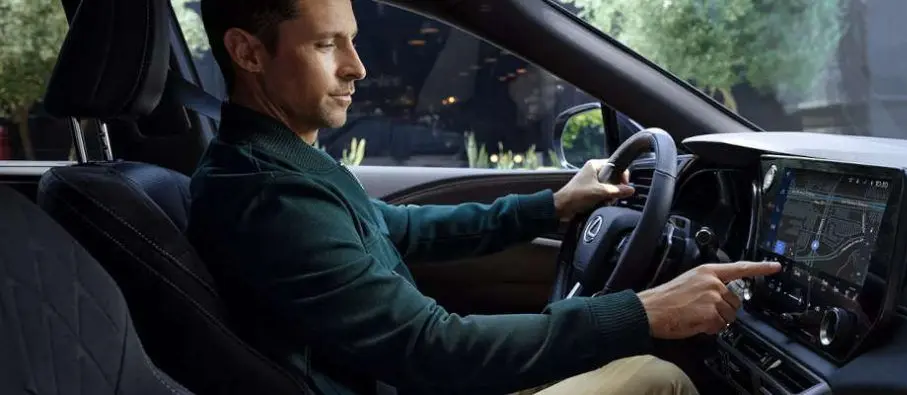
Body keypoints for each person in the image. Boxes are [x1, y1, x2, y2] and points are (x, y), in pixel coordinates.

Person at [187, 0, 782, 394]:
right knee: (656, 379)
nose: (358, 67)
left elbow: (402, 227)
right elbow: (432, 347)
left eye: (353, 41)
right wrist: (644, 312)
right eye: (326, 45)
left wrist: (552, 205)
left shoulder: (281, 166)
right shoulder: (268, 197)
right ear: (248, 53)